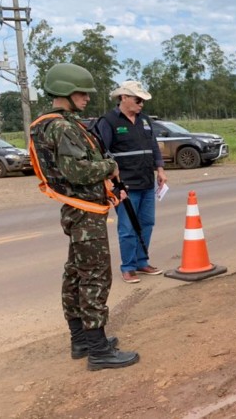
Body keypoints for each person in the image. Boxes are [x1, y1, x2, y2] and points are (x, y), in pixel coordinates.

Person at [29, 63, 139, 370]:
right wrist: (109, 167)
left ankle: (81, 340)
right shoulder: (63, 127)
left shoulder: (55, 123)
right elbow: (77, 171)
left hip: (78, 208)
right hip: (85, 211)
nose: (87, 98)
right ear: (65, 90)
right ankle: (98, 350)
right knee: (95, 276)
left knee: (76, 273)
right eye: (82, 92)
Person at [96, 81, 166, 284]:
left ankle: (141, 262)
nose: (141, 104)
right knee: (127, 228)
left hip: (147, 181)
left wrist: (160, 169)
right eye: (138, 99)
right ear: (124, 98)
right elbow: (102, 154)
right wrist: (113, 184)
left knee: (146, 223)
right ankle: (128, 267)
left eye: (143, 100)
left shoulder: (144, 120)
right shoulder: (108, 121)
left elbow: (153, 146)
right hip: (125, 186)